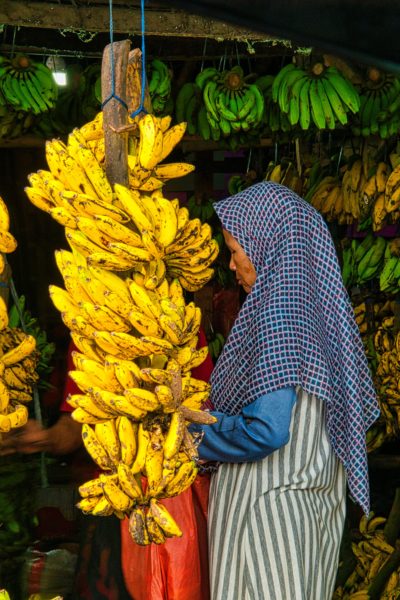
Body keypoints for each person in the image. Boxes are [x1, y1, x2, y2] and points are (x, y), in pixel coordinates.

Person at [189, 181, 380, 600]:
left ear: (265, 248)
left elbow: (267, 430)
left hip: (267, 515)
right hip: (313, 510)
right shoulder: (321, 318)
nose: (233, 265)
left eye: (236, 251)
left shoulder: (277, 316)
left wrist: (194, 436)